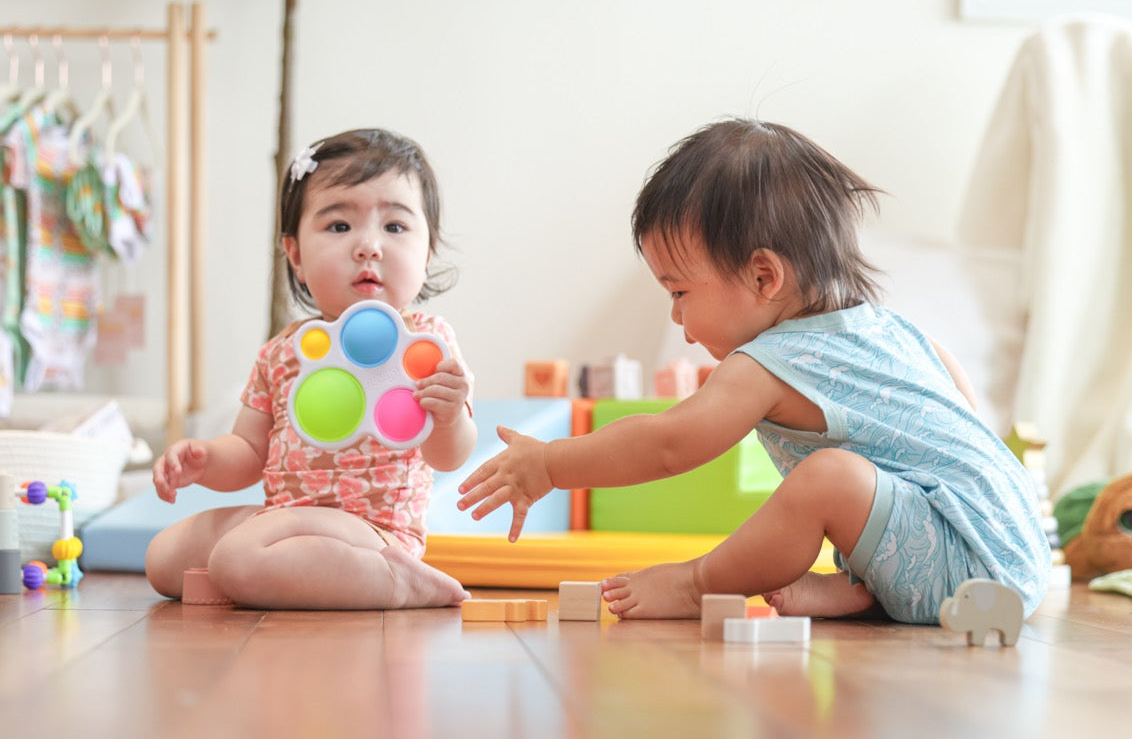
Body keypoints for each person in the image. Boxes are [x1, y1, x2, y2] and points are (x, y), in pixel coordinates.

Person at [459, 118, 1051, 623]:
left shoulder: (769, 363)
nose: (677, 315)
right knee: (859, 477)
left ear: (764, 277)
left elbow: (667, 444)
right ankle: (868, 591)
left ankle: (697, 584)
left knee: (828, 479)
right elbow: (964, 417)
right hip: (1015, 549)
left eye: (680, 291)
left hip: (969, 570)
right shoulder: (897, 331)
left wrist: (550, 463)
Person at [145, 128, 475, 610]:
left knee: (236, 558)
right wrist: (205, 460)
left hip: (374, 532)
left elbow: (449, 456)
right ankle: (273, 574)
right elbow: (249, 450)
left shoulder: (424, 343)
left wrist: (448, 417)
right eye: (340, 226)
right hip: (287, 516)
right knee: (164, 557)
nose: (368, 246)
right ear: (296, 255)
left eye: (395, 227)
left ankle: (402, 581)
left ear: (426, 253)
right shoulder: (283, 352)